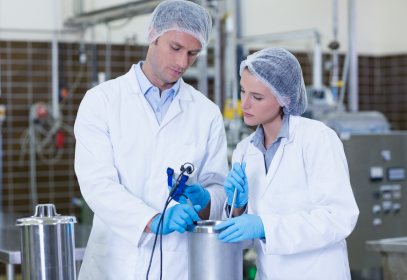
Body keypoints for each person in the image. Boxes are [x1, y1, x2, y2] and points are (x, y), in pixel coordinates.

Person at [74, 1, 228, 279]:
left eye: (193, 53)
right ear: (153, 35)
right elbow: (97, 184)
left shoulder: (206, 113)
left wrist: (205, 199)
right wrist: (153, 220)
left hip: (177, 265)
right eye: (176, 48)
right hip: (114, 263)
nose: (183, 63)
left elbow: (218, 194)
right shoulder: (102, 101)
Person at [214, 47, 359, 280]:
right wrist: (237, 208)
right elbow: (245, 238)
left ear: (285, 98)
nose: (244, 104)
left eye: (257, 97)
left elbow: (338, 217)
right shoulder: (244, 150)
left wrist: (264, 226)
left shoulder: (317, 138)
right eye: (243, 91)